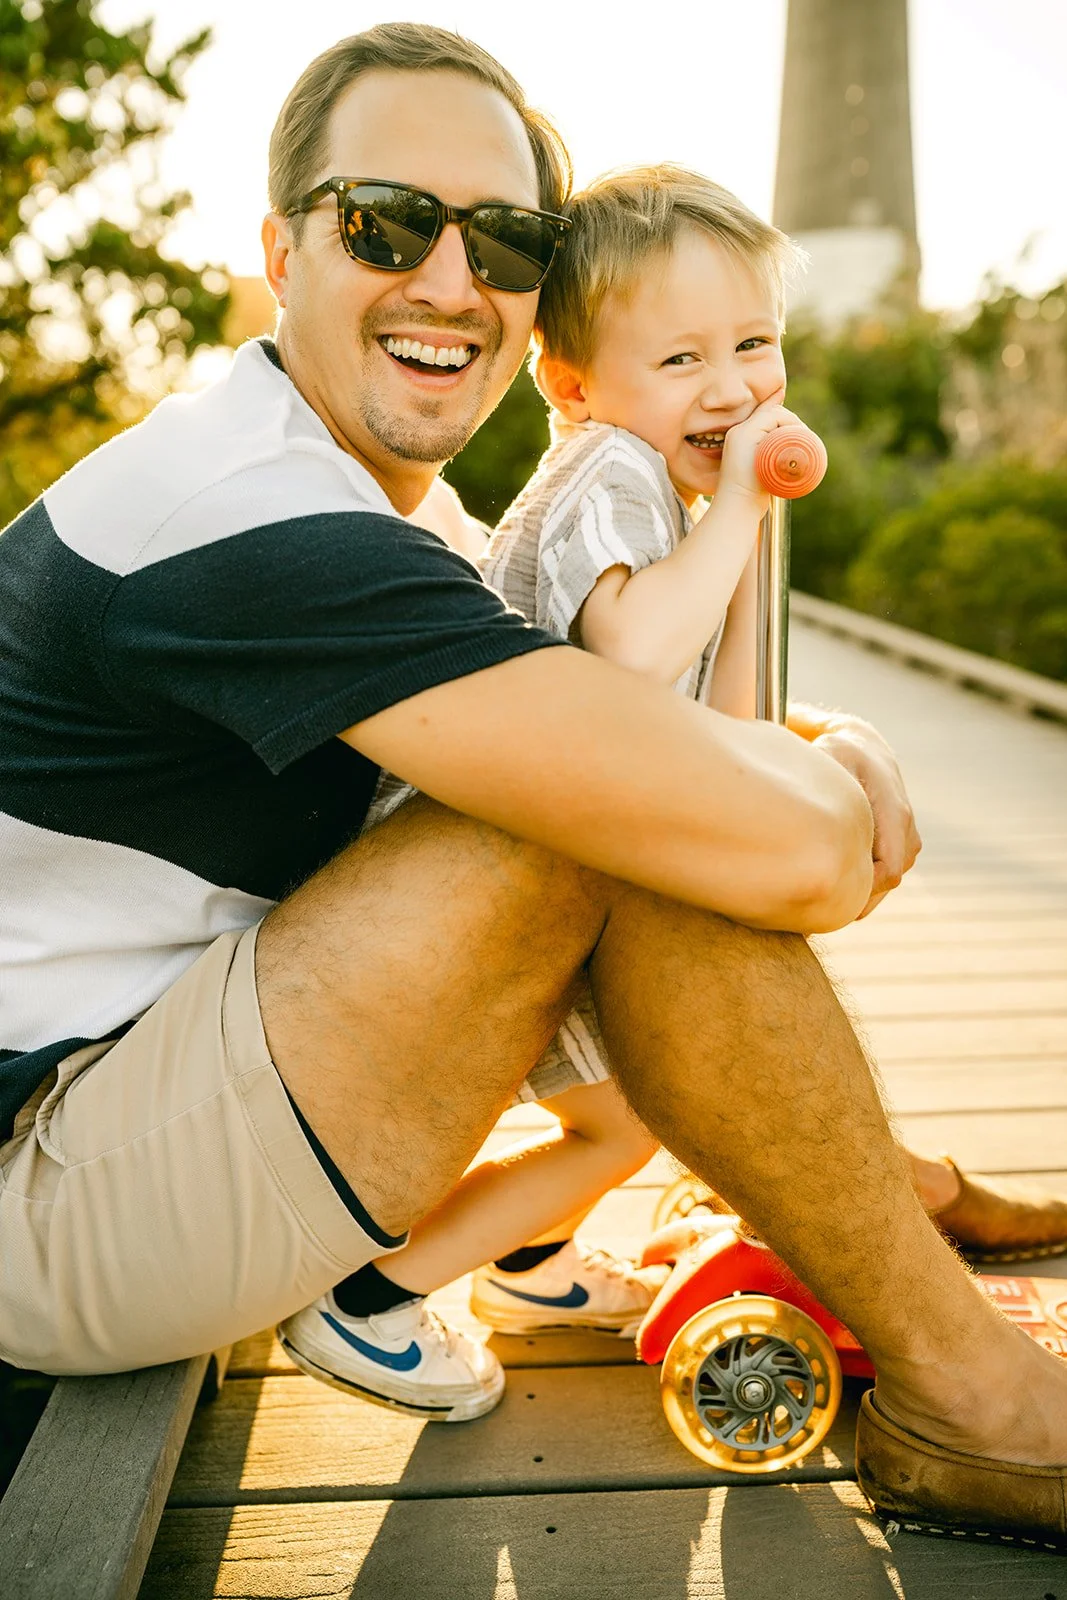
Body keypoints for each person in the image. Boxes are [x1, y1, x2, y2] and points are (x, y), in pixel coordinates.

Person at [0, 22, 1064, 1550]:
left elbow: (628, 737)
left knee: (612, 788)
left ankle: (896, 1228)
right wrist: (833, 771)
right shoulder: (256, 520)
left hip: (153, 1089)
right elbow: (792, 853)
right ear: (279, 250)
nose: (451, 279)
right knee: (614, 826)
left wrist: (842, 737)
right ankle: (975, 1397)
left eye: (504, 236)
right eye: (384, 220)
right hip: (45, 1183)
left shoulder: (366, 511)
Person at [279, 161, 1067, 1424]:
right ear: (576, 386)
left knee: (623, 1113)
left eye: (753, 344)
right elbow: (634, 657)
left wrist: (750, 535)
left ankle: (531, 1268)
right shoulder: (606, 476)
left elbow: (728, 729)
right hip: (508, 879)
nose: (734, 385)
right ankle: (370, 1295)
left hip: (571, 860)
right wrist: (739, 502)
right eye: (682, 359)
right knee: (620, 1130)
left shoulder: (673, 494)